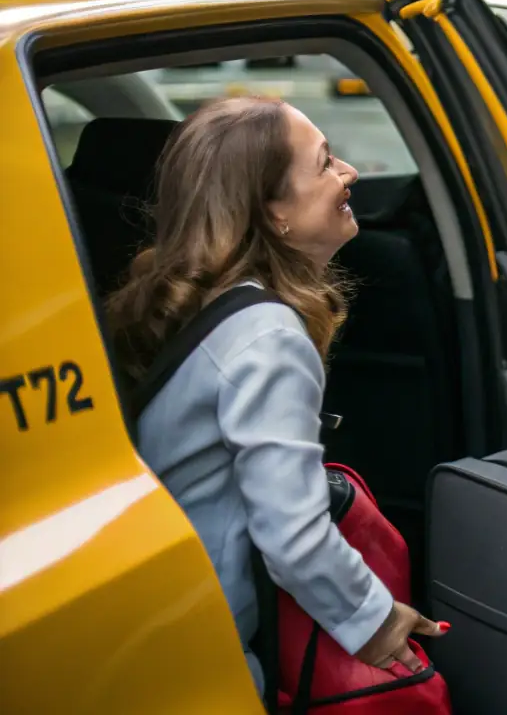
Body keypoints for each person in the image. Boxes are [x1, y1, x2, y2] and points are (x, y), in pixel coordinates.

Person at [106, 97, 446, 695]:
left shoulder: (196, 302)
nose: (350, 174)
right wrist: (379, 622)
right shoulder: (269, 338)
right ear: (272, 212)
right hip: (206, 650)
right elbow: (292, 535)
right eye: (325, 164)